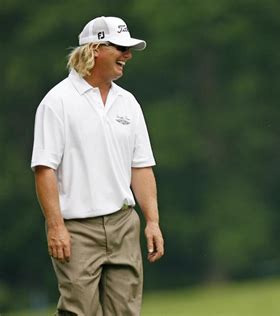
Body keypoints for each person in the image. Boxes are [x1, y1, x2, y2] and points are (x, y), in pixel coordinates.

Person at [31, 16, 164, 315]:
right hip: (77, 230)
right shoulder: (57, 102)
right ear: (94, 49)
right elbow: (44, 169)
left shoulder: (128, 103)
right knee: (79, 311)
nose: (127, 55)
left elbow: (141, 168)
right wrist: (55, 227)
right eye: (120, 48)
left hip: (123, 224)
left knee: (125, 312)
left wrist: (152, 221)